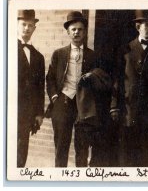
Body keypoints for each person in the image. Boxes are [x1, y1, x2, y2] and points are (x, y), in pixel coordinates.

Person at [110, 10, 148, 166]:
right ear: (138, 27)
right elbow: (117, 79)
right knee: (127, 151)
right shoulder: (126, 49)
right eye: (147, 25)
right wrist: (114, 106)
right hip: (129, 108)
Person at [46, 11, 99, 167]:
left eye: (80, 29)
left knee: (82, 149)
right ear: (68, 32)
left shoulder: (92, 55)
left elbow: (98, 80)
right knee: (61, 147)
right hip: (63, 103)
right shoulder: (59, 54)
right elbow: (49, 79)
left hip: (84, 106)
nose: (77, 32)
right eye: (73, 29)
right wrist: (55, 97)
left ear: (84, 32)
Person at [17, 9, 45, 167]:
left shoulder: (38, 57)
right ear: (16, 25)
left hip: (26, 112)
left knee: (21, 150)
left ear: (34, 28)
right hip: (8, 110)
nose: (26, 28)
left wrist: (39, 113)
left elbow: (40, 87)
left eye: (30, 25)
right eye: (23, 24)